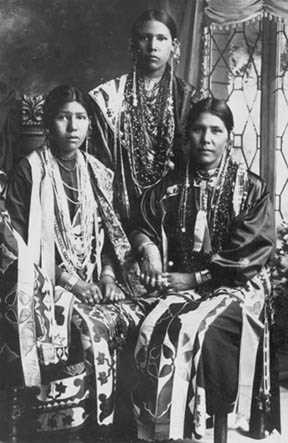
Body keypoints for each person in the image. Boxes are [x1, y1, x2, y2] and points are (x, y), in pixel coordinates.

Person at [130, 97, 278, 440]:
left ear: (229, 136)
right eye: (198, 129)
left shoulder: (251, 189)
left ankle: (207, 429)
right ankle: (159, 431)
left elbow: (248, 254)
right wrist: (148, 248)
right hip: (182, 285)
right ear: (187, 136)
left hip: (239, 285)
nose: (206, 139)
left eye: (216, 130)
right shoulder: (169, 186)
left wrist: (197, 277)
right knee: (151, 326)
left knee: (198, 330)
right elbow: (142, 221)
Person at [4, 85, 146, 436]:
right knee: (81, 329)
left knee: (141, 316)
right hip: (43, 282)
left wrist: (109, 279)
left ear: (89, 125)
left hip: (97, 280)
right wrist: (73, 283)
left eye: (80, 118)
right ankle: (68, 432)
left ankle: (114, 430)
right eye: (63, 117)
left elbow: (113, 236)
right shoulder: (30, 170)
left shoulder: (98, 172)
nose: (73, 127)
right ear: (49, 124)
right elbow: (19, 244)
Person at [89, 9, 198, 232]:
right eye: (145, 37)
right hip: (119, 211)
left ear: (174, 46)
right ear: (132, 45)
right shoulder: (107, 97)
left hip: (176, 211)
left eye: (161, 38)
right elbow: (98, 165)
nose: (153, 46)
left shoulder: (191, 99)